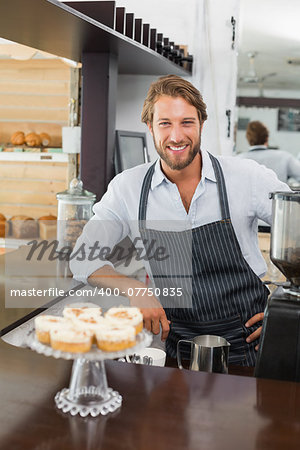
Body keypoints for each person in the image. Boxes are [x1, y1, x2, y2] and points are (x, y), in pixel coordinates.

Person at [70, 75, 289, 366]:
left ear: (201, 124)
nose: (176, 136)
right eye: (165, 123)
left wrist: (288, 307)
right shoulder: (128, 188)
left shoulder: (247, 177)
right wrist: (135, 290)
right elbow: (82, 258)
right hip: (178, 351)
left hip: (253, 345)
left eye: (186, 122)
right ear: (150, 127)